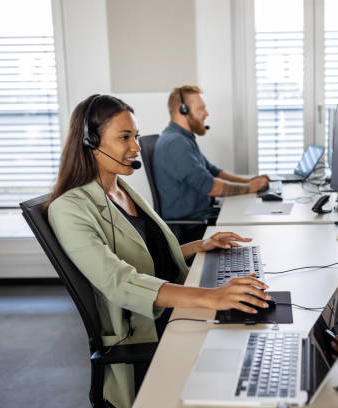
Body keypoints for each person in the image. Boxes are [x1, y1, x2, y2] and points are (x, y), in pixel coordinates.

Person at [47, 94, 271, 408]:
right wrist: (212, 297)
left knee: (261, 320)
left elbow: (146, 257)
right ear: (89, 141)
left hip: (172, 308)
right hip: (146, 328)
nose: (136, 147)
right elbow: (120, 281)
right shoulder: (70, 208)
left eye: (135, 136)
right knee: (249, 342)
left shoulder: (120, 189)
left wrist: (200, 246)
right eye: (124, 137)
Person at [152, 85, 269, 240]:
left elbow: (213, 171)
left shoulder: (183, 138)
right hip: (192, 229)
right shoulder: (175, 143)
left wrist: (248, 181)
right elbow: (211, 187)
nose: (206, 114)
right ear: (183, 110)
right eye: (201, 108)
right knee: (255, 233)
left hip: (202, 219)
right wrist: (249, 188)